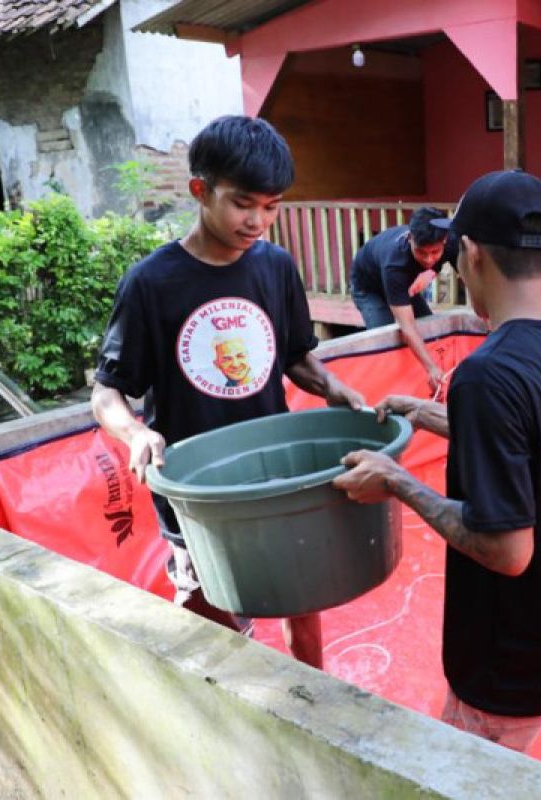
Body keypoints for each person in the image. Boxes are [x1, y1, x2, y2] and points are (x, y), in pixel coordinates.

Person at [332, 170, 541, 784]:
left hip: (515, 647)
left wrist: (399, 483)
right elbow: (535, 437)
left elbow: (508, 549)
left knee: (451, 776)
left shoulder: (488, 374)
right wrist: (428, 412)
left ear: (470, 253)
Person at [91, 115, 365, 670]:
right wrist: (135, 433)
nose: (258, 221)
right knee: (213, 637)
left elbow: (293, 357)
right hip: (199, 498)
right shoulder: (151, 283)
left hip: (276, 481)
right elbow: (107, 393)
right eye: (244, 203)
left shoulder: (277, 267)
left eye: (272, 206)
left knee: (302, 604)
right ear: (200, 190)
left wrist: (334, 387)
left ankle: (316, 709)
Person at [349, 206, 458, 395]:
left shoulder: (450, 241)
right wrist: (431, 368)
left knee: (429, 330)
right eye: (421, 252)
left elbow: (473, 279)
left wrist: (431, 272)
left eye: (435, 252)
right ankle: (391, 394)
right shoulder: (395, 263)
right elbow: (407, 327)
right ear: (410, 239)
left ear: (445, 241)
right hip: (370, 288)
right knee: (387, 341)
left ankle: (429, 385)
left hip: (406, 284)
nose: (429, 258)